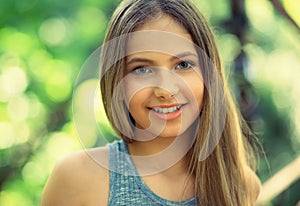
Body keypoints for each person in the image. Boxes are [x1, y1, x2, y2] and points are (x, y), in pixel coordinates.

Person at [41, 0, 261, 205]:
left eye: (183, 65)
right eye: (142, 69)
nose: (165, 90)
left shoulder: (242, 186)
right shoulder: (78, 178)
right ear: (118, 83)